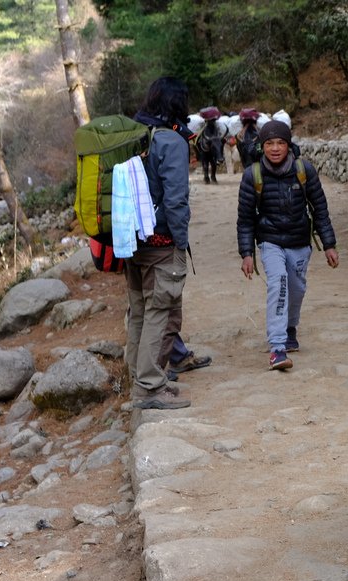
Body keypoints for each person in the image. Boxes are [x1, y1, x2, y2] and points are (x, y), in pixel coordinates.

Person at [236, 120, 339, 370]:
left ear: (288, 145)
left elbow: (320, 209)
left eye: (280, 143)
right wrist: (247, 253)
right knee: (278, 284)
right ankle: (278, 348)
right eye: (269, 143)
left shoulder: (305, 170)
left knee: (297, 288)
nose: (274, 148)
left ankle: (290, 327)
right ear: (262, 147)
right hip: (270, 242)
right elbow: (245, 218)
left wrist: (329, 244)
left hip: (300, 241)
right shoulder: (253, 175)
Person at [125, 76, 194, 409]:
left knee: (139, 312)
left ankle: (136, 380)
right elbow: (176, 200)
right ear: (177, 104)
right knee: (162, 313)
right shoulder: (170, 141)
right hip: (161, 243)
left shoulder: (134, 134)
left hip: (131, 241)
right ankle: (150, 388)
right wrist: (180, 243)